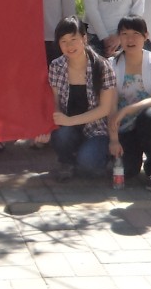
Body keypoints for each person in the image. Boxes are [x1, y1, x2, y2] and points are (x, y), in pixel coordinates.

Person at [108, 16, 151, 190]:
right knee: (127, 170)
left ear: (146, 36)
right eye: (124, 34)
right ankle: (135, 151)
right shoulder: (111, 64)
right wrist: (114, 140)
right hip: (125, 125)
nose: (130, 39)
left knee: (149, 116)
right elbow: (111, 106)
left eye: (136, 34)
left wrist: (128, 109)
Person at [49, 16, 118, 182]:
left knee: (89, 165)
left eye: (73, 39)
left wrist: (70, 120)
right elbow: (54, 102)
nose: (69, 46)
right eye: (64, 41)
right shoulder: (56, 66)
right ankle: (66, 161)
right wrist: (50, 124)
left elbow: (105, 109)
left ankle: (92, 155)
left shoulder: (102, 66)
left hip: (96, 129)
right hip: (67, 127)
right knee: (60, 135)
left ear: (84, 38)